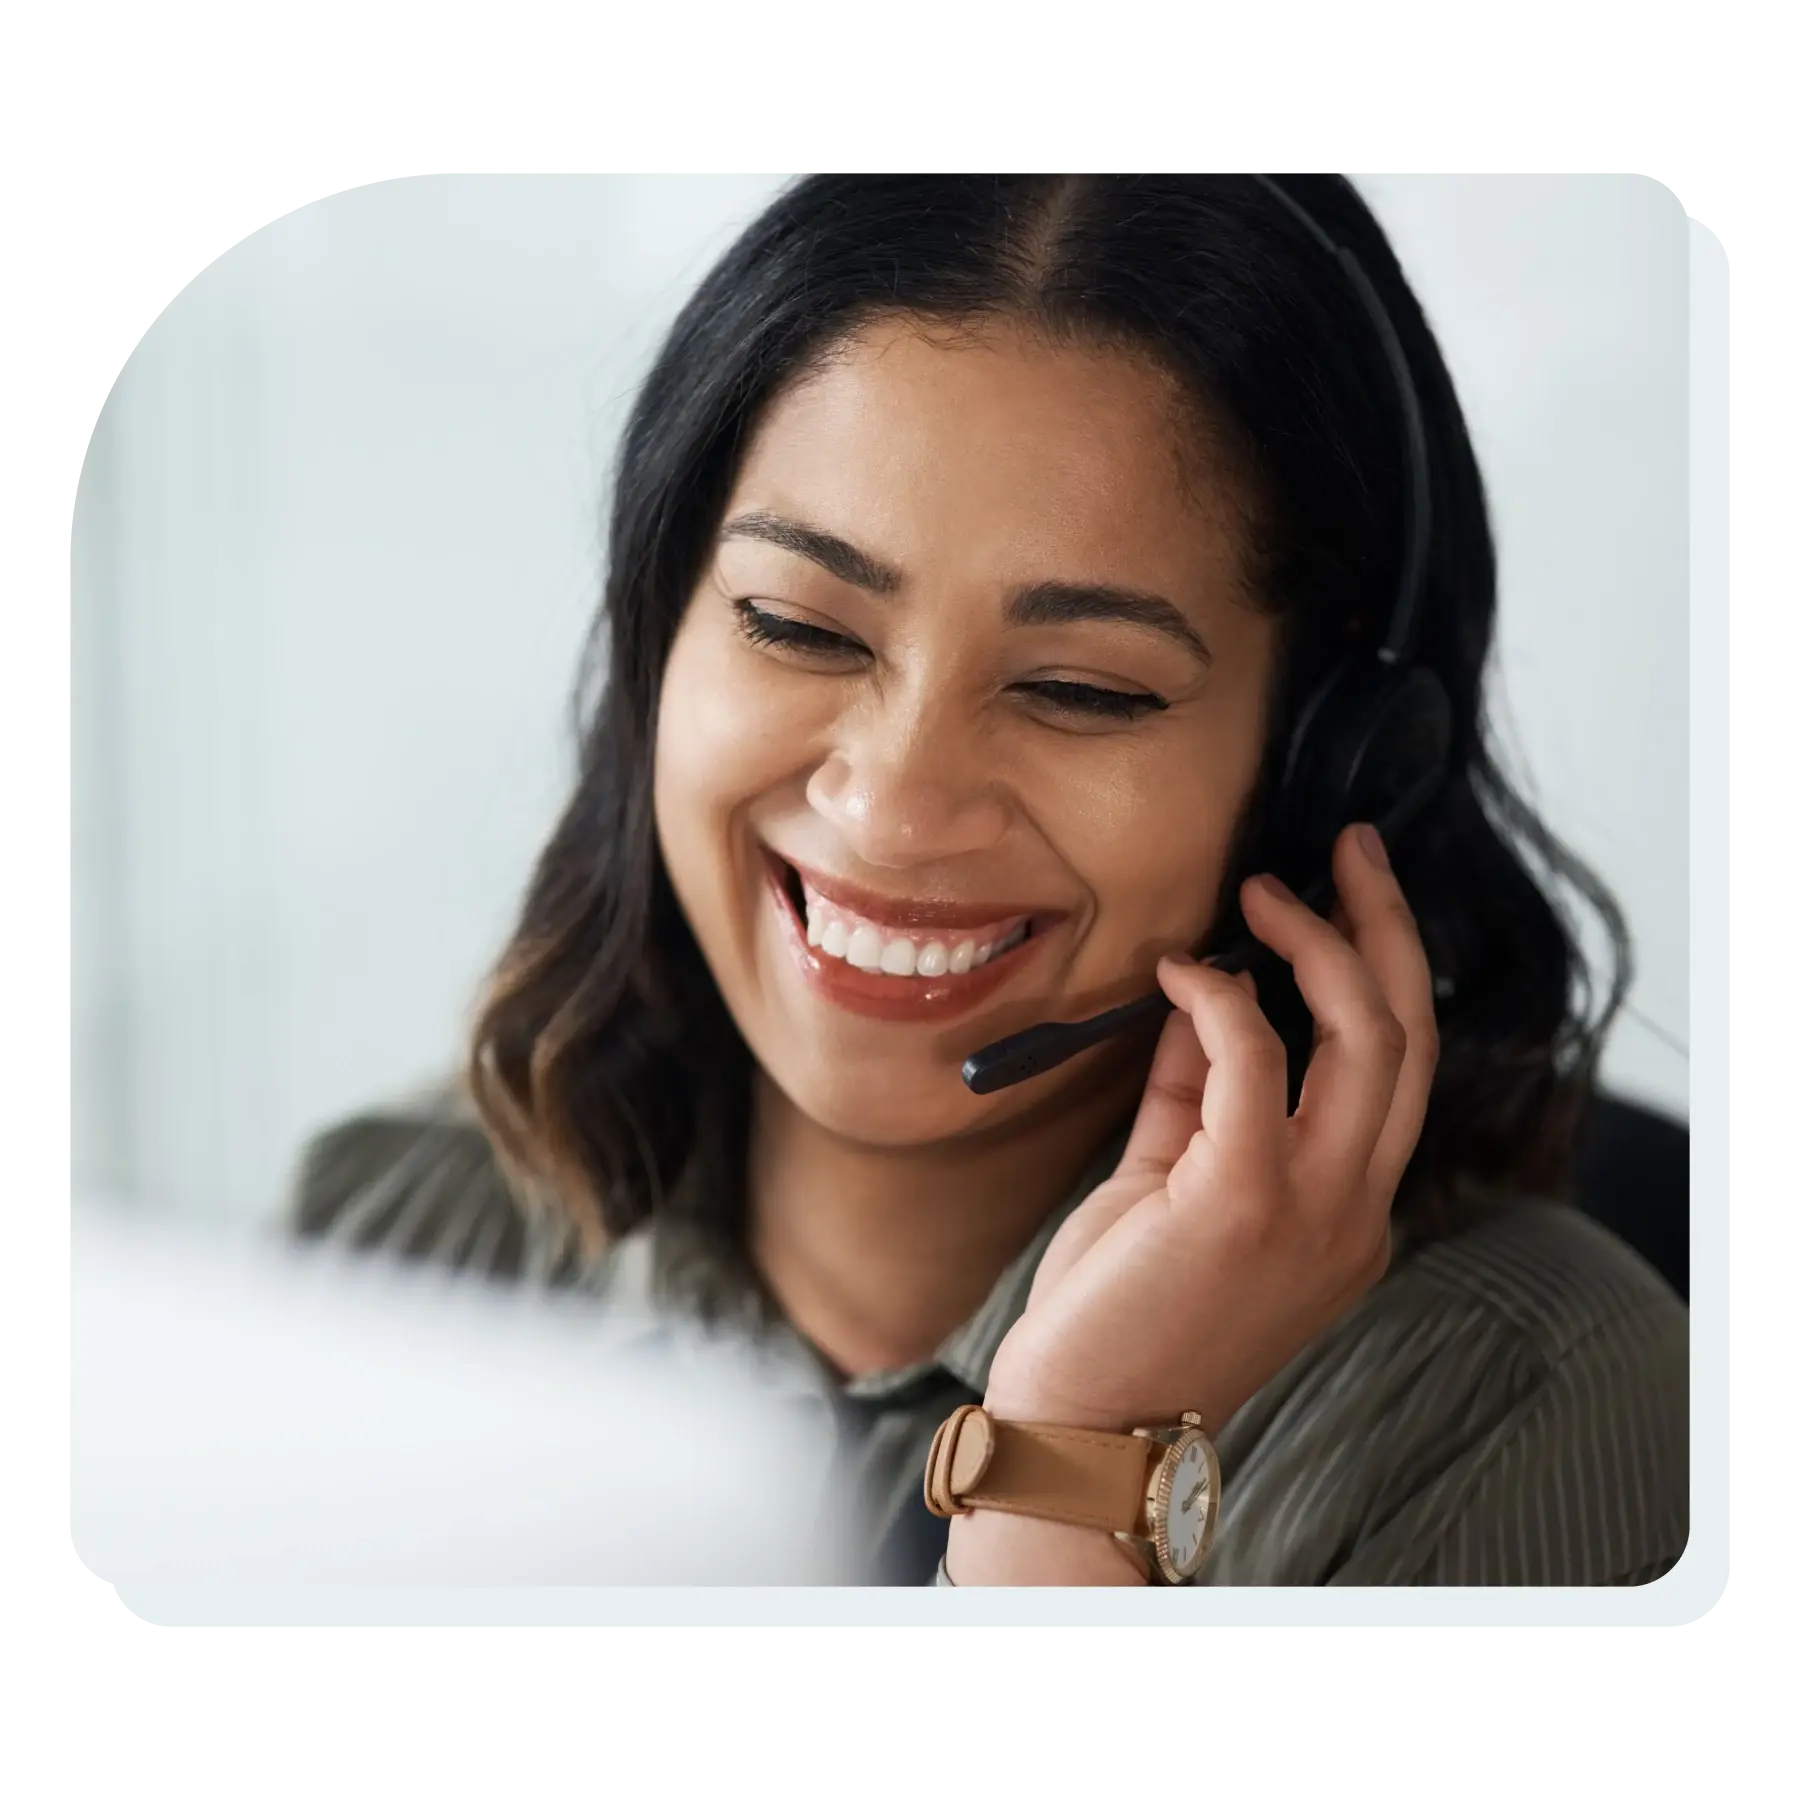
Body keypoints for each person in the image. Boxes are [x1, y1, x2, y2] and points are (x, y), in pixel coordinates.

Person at [290, 168, 1687, 1587]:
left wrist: (1079, 1464)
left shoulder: (1517, 1403)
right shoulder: (403, 1234)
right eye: (795, 625)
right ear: (660, 637)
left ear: (1330, 764)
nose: (893, 810)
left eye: (1079, 688)